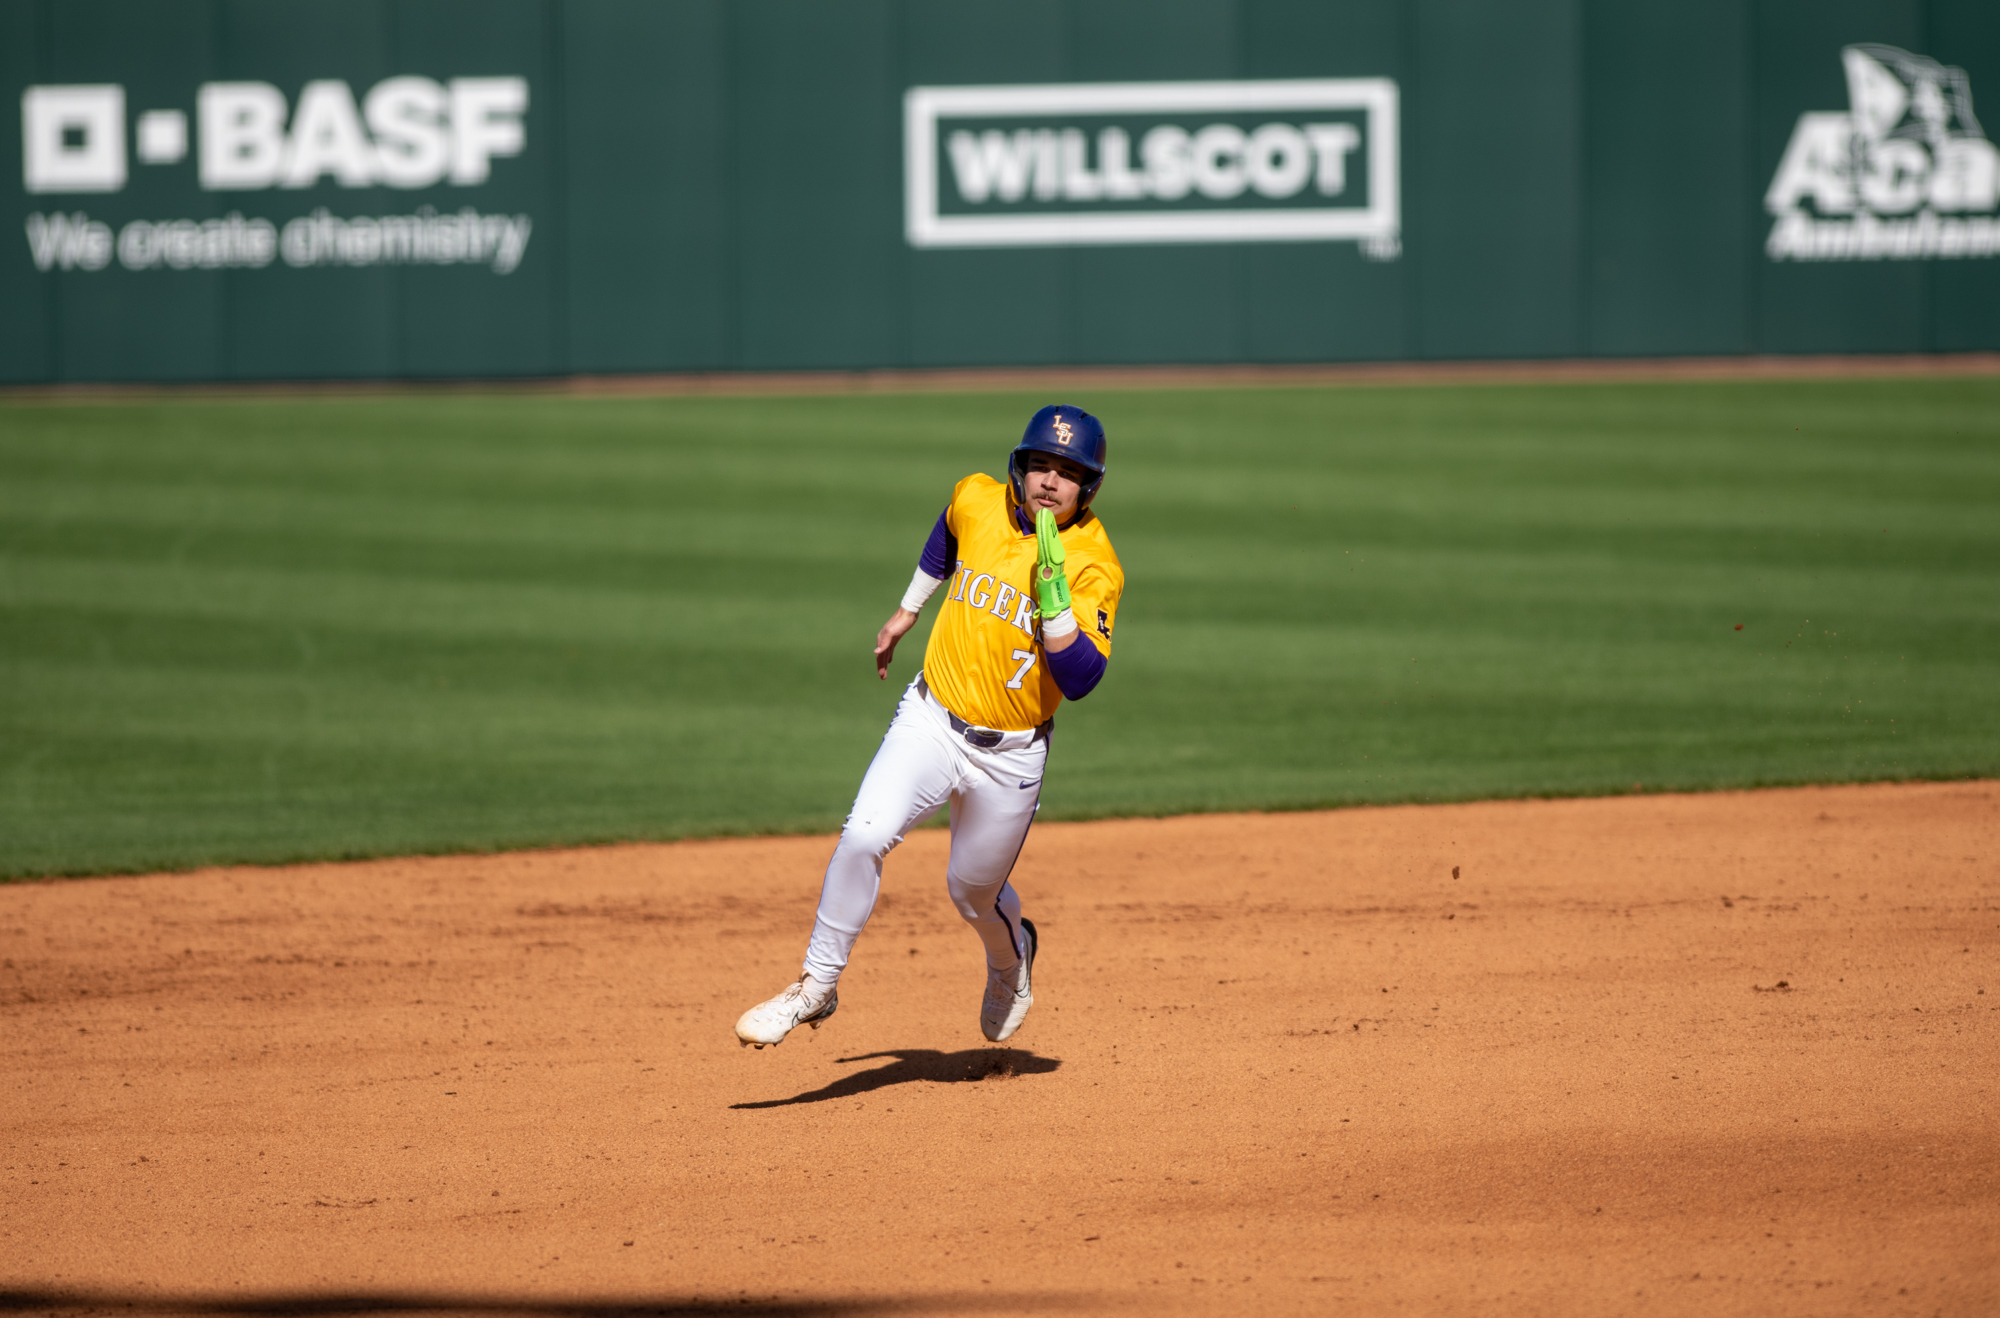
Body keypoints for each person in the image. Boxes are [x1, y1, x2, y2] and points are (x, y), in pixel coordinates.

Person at [735, 404, 1123, 1048]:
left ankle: (1011, 961)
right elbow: (946, 533)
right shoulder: (977, 499)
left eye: (1069, 472)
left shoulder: (1093, 565)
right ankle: (816, 985)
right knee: (864, 836)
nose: (1051, 481)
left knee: (972, 894)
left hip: (1011, 755)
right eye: (1040, 466)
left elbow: (1080, 681)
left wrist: (1057, 610)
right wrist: (908, 608)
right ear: (1018, 469)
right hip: (931, 718)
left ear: (1090, 487)